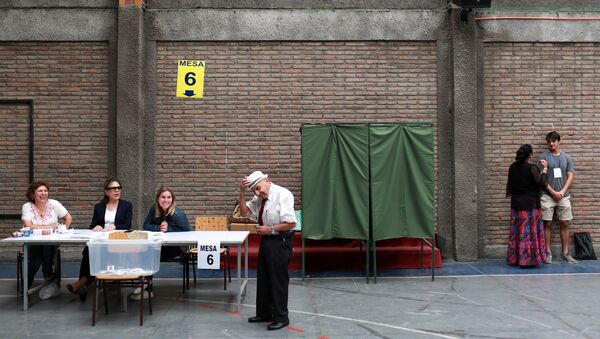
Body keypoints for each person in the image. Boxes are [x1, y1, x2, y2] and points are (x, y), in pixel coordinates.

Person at [239, 170, 297, 331]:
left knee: (278, 280)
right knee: (263, 277)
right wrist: (242, 193)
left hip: (280, 240)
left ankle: (281, 317)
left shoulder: (283, 194)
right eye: (254, 191)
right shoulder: (259, 196)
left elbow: (291, 223)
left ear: (267, 180)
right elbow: (244, 213)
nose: (257, 193)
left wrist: (270, 229)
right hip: (266, 240)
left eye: (258, 188)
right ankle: (264, 313)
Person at [66, 178, 132, 301]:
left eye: (119, 188)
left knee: (93, 254)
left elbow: (127, 225)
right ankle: (82, 285)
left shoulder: (126, 205)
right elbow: (93, 225)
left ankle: (80, 284)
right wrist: (97, 226)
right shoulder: (99, 207)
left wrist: (114, 227)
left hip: (117, 241)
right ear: (106, 192)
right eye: (113, 189)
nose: (117, 191)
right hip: (101, 240)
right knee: (88, 251)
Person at [136, 185, 191, 299]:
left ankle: (146, 287)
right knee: (143, 252)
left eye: (169, 197)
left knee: (148, 255)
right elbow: (146, 226)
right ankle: (144, 284)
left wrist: (168, 229)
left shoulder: (178, 214)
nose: (166, 200)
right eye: (163, 197)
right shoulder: (154, 209)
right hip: (158, 246)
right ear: (158, 199)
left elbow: (188, 232)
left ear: (172, 199)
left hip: (174, 248)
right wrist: (159, 228)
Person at [20, 181, 72, 290]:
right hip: (33, 242)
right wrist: (50, 227)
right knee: (36, 257)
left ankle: (32, 282)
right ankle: (47, 276)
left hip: (51, 241)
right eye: (40, 191)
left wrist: (63, 230)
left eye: (46, 191)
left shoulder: (54, 204)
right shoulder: (27, 206)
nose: (44, 193)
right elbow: (28, 225)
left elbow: (68, 218)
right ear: (32, 194)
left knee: (47, 246)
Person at [506, 144, 548, 267]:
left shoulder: (512, 167)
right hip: (530, 206)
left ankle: (516, 259)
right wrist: (544, 169)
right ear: (530, 155)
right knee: (529, 232)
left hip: (516, 205)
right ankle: (530, 260)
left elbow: (511, 186)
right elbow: (542, 183)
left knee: (518, 232)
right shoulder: (532, 168)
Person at [538, 131, 577, 264]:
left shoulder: (567, 157)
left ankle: (566, 253)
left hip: (563, 196)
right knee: (547, 223)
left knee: (564, 223)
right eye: (549, 141)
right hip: (547, 196)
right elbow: (541, 179)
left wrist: (562, 191)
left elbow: (570, 175)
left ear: (559, 141)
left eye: (554, 141)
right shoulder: (543, 157)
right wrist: (553, 192)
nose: (551, 143)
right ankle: (547, 253)